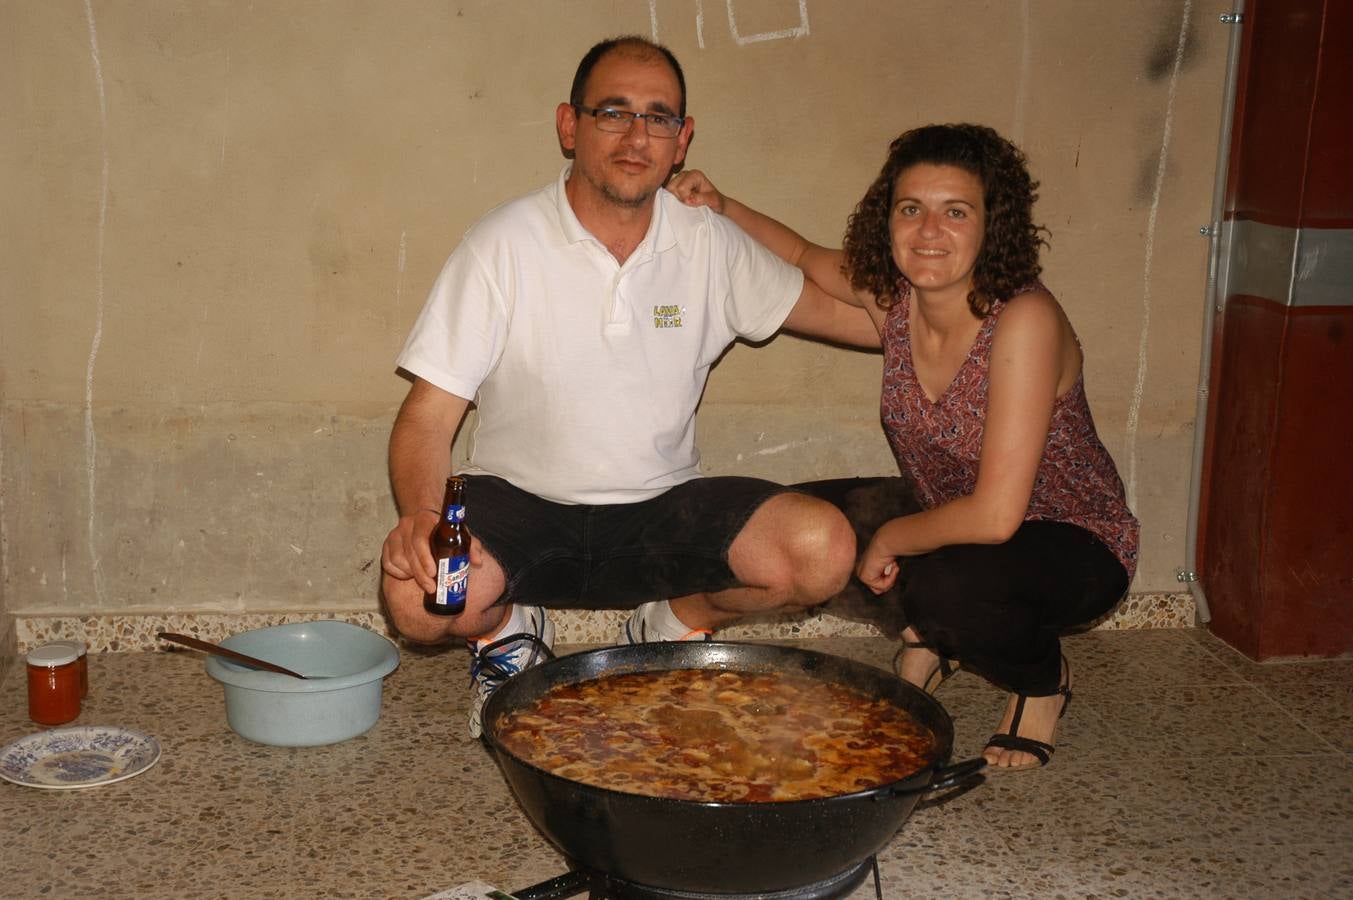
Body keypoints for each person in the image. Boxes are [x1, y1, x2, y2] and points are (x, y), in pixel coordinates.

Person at [380, 36, 879, 737]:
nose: (636, 135)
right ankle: (502, 635)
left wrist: (964, 307)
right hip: (521, 506)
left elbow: (864, 321)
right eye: (612, 112)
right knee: (413, 594)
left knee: (821, 549)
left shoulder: (707, 242)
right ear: (568, 125)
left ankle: (672, 623)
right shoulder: (501, 244)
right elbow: (428, 419)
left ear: (682, 139)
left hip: (660, 511)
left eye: (658, 117)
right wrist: (421, 518)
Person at [670, 123, 1139, 771]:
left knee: (946, 582)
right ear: (886, 219)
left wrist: (890, 540)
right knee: (796, 528)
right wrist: (721, 206)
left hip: (1069, 539)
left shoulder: (1024, 321)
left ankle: (1038, 681)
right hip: (953, 526)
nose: (927, 231)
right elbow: (805, 254)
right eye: (910, 209)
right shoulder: (895, 300)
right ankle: (938, 634)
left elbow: (997, 517)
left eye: (955, 212)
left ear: (990, 226)